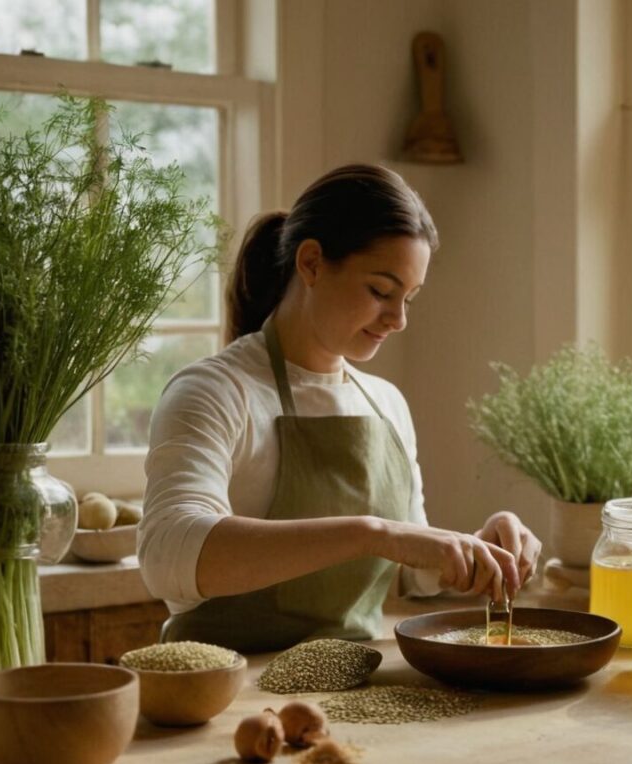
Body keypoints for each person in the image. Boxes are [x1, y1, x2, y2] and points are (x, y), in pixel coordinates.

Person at [138, 164, 542, 652]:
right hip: (224, 691)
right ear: (310, 263)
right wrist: (372, 534)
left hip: (355, 680)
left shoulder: (386, 403)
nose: (398, 320)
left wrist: (476, 550)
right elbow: (168, 556)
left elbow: (410, 575)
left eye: (409, 298)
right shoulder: (214, 391)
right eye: (380, 291)